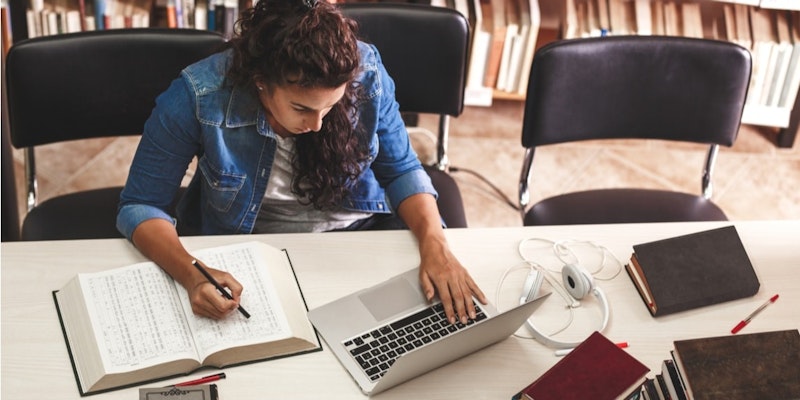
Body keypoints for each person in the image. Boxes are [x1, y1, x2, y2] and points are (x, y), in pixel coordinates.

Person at [117, 0, 486, 324]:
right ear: (261, 82)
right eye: (301, 108)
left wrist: (435, 244)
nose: (317, 124)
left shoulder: (366, 72)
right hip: (250, 249)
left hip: (359, 237)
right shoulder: (200, 95)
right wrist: (193, 274)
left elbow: (401, 170)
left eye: (331, 106)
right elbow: (141, 205)